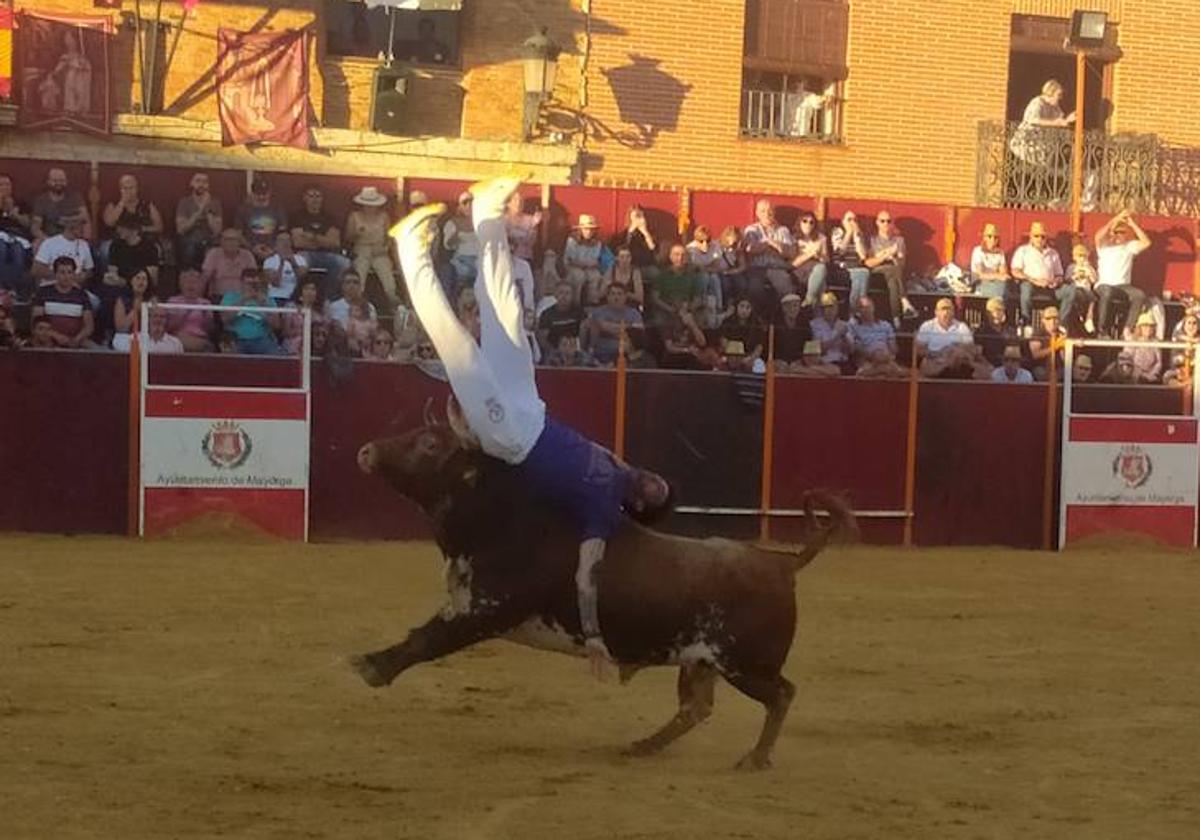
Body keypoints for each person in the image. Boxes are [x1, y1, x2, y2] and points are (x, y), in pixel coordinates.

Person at [392, 177, 671, 676]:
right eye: (659, 478)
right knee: (507, 314)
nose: (652, 480)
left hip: (512, 439)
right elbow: (624, 469)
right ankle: (487, 215)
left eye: (654, 491)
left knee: (457, 346)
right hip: (531, 409)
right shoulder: (614, 466)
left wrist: (593, 639)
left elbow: (587, 577)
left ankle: (411, 246)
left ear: (641, 505)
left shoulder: (603, 512)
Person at [1094, 210, 1151, 336]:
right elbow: (1098, 236)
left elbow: (1146, 242)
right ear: (1111, 233)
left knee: (1139, 295)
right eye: (1116, 232)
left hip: (1123, 287)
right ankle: (1101, 331)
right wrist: (1115, 219)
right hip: (1104, 285)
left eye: (1122, 232)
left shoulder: (1129, 247)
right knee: (1107, 291)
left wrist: (1132, 224)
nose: (1118, 235)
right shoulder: (1104, 246)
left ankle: (1127, 329)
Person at [1011, 221, 1074, 328]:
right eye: (1036, 236)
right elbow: (1015, 271)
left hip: (1050, 287)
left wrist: (1055, 281)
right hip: (1031, 285)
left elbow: (1059, 275)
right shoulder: (1023, 251)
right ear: (1031, 237)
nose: (1039, 239)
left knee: (1070, 290)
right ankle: (1027, 324)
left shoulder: (1053, 253)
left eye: (1043, 236)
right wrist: (1035, 281)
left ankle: (1062, 325)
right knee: (1026, 288)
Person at [290, 184, 350, 293]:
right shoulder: (297, 217)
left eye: (318, 196)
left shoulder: (330, 218)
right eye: (311, 196)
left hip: (327, 254)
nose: (315, 199)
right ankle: (301, 295)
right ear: (304, 198)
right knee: (299, 262)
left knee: (344, 263)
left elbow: (335, 243)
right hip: (304, 253)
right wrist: (323, 240)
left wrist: (312, 237)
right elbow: (298, 242)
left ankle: (330, 296)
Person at [346, 186, 399, 307]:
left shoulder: (384, 217)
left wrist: (384, 248)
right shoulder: (354, 216)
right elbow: (348, 238)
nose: (369, 207)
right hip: (361, 250)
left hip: (379, 251)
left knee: (389, 282)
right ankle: (356, 306)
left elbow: (389, 238)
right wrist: (357, 234)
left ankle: (395, 306)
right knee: (359, 278)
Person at [31, 256, 96, 348]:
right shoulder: (44, 292)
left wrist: (76, 339)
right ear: (55, 274)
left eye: (69, 272)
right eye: (62, 272)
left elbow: (89, 326)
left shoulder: (82, 295)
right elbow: (36, 322)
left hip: (76, 341)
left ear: (74, 274)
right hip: (48, 341)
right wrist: (56, 336)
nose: (66, 276)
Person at [864, 211, 916, 325]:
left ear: (892, 223)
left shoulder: (899, 240)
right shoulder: (872, 240)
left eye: (888, 221)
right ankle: (904, 301)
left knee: (893, 281)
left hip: (895, 274)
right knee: (893, 270)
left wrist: (897, 256)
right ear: (877, 223)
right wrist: (887, 256)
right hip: (878, 275)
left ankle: (896, 318)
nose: (886, 224)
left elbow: (901, 265)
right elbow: (868, 263)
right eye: (882, 221)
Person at [219, 268, 284, 355]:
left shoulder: (267, 299)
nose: (253, 286)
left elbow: (276, 325)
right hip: (236, 339)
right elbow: (225, 319)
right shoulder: (230, 297)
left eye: (255, 284)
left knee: (275, 356)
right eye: (249, 284)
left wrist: (264, 305)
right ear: (241, 283)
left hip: (261, 339)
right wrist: (243, 300)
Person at [585, 283, 643, 366]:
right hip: (601, 353)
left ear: (625, 296)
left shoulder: (634, 313)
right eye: (613, 294)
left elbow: (638, 334)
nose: (616, 297)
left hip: (625, 355)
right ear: (607, 296)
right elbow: (596, 327)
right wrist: (626, 329)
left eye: (620, 294)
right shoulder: (598, 311)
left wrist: (607, 327)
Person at [175, 172, 224, 269]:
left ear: (208, 185)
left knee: (212, 251)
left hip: (210, 240)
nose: (201, 184)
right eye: (198, 181)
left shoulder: (215, 203)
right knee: (190, 248)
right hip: (189, 239)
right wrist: (201, 209)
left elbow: (217, 231)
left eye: (205, 182)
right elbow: (181, 229)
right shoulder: (184, 202)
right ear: (191, 184)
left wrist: (208, 211)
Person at [237, 175, 287, 261]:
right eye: (258, 194)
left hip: (274, 251)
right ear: (252, 193)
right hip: (249, 251)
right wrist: (252, 248)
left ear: (270, 192)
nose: (261, 197)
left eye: (264, 194)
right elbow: (238, 234)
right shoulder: (243, 210)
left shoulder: (278, 209)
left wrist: (274, 249)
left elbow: (283, 233)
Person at [166, 269, 216, 352]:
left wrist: (206, 315)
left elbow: (210, 329)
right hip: (179, 338)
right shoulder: (173, 301)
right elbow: (170, 327)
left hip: (200, 339)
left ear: (200, 286)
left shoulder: (205, 303)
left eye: (194, 282)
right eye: (187, 282)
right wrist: (187, 311)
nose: (191, 285)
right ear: (181, 285)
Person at [201, 229, 256, 300]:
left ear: (239, 242)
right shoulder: (213, 254)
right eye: (227, 239)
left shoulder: (247, 255)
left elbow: (254, 279)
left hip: (243, 297)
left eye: (234, 239)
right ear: (221, 242)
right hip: (218, 297)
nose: (230, 242)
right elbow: (204, 278)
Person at [829, 211, 869, 307]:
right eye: (849, 219)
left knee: (863, 273)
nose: (852, 222)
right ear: (843, 221)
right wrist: (849, 233)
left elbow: (863, 256)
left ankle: (857, 309)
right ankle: (855, 309)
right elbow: (840, 251)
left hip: (856, 269)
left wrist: (857, 237)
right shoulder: (837, 232)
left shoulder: (859, 234)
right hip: (840, 270)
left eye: (855, 220)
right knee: (861, 274)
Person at [791, 212, 829, 308]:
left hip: (816, 269)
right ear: (799, 222)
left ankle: (809, 299)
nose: (808, 224)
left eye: (811, 222)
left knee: (821, 270)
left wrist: (819, 256)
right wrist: (810, 254)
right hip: (799, 270)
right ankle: (816, 314)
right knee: (821, 281)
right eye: (805, 221)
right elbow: (793, 264)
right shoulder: (793, 238)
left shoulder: (821, 238)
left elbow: (826, 259)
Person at [263, 231, 308, 304]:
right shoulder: (269, 261)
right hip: (276, 297)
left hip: (295, 297)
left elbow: (303, 280)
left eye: (288, 240)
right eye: (281, 240)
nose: (285, 243)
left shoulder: (301, 259)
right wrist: (281, 263)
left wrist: (293, 263)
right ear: (276, 244)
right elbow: (275, 283)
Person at [970, 223, 1011, 300]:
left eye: (996, 237)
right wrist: (997, 276)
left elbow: (1004, 273)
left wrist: (997, 276)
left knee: (1004, 288)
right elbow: (980, 274)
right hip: (980, 283)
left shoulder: (1000, 253)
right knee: (1001, 291)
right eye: (989, 236)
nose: (992, 239)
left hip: (996, 283)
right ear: (984, 238)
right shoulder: (978, 251)